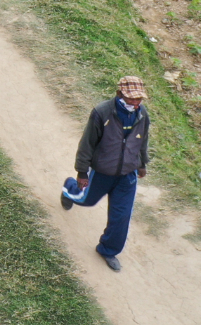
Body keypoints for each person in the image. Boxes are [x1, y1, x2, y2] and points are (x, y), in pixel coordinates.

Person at [62, 76, 152, 273]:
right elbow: (87, 144)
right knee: (85, 200)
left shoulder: (142, 114)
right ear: (119, 94)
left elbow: (142, 141)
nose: (136, 103)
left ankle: (108, 249)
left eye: (139, 99)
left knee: (122, 216)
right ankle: (68, 189)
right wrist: (82, 172)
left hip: (127, 175)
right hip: (102, 172)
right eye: (132, 98)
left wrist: (142, 163)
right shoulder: (102, 113)